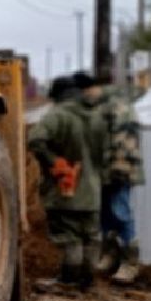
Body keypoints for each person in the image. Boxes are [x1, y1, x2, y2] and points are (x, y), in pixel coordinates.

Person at [28, 75, 108, 289]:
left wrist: (55, 163)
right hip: (92, 190)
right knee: (91, 235)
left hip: (65, 190)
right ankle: (88, 280)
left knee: (69, 235)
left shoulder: (58, 115)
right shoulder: (98, 116)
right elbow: (106, 154)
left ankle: (69, 280)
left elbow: (35, 140)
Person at [83, 80, 146, 283]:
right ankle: (111, 256)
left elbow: (117, 143)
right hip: (107, 170)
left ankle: (130, 263)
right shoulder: (105, 106)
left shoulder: (117, 107)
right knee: (106, 214)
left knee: (121, 212)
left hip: (119, 168)